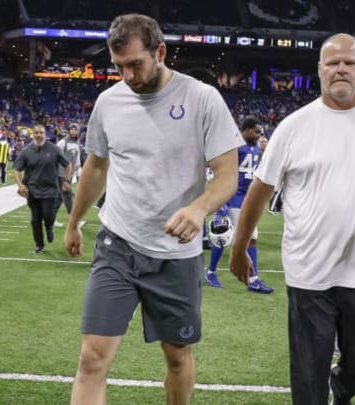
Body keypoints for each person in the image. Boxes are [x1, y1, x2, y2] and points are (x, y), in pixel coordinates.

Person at [227, 34, 355, 405]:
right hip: (309, 271)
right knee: (308, 376)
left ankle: (342, 387)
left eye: (350, 62)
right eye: (333, 62)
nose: (341, 69)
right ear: (320, 69)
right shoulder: (295, 126)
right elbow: (259, 190)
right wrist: (239, 246)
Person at [63, 14, 241, 405]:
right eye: (119, 67)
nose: (127, 75)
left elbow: (227, 175)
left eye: (135, 64)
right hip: (118, 245)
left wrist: (199, 209)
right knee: (92, 358)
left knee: (177, 356)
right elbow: (96, 166)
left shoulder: (202, 98)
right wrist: (74, 222)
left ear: (159, 52)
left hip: (175, 254)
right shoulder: (109, 103)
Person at [205, 117, 273, 293]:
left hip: (247, 200)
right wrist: (222, 202)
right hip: (235, 198)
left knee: (246, 238)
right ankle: (249, 278)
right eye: (256, 131)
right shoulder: (235, 147)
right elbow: (220, 173)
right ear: (247, 130)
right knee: (230, 237)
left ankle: (251, 278)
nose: (259, 135)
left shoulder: (257, 149)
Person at [12, 124, 71, 253]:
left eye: (41, 133)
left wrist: (66, 181)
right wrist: (20, 185)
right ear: (32, 134)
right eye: (36, 133)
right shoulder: (26, 151)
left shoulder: (54, 149)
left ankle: (49, 228)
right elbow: (16, 169)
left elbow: (67, 165)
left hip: (50, 190)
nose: (38, 135)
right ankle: (39, 245)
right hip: (32, 191)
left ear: (45, 134)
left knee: (48, 216)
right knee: (35, 219)